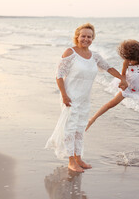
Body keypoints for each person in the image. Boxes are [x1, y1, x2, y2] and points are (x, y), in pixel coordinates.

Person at [45, 23, 127, 173]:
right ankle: (71, 161)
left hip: (84, 98)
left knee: (80, 128)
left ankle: (78, 157)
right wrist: (64, 95)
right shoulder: (70, 52)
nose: (86, 39)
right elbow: (58, 75)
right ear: (77, 37)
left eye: (89, 36)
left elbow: (108, 68)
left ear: (92, 38)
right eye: (83, 36)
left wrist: (122, 78)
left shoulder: (94, 56)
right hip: (70, 97)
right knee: (70, 128)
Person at [85, 39, 139, 133]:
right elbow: (123, 75)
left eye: (132, 59)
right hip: (129, 86)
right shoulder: (127, 62)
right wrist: (123, 83)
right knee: (111, 104)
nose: (131, 61)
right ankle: (92, 119)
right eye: (129, 59)